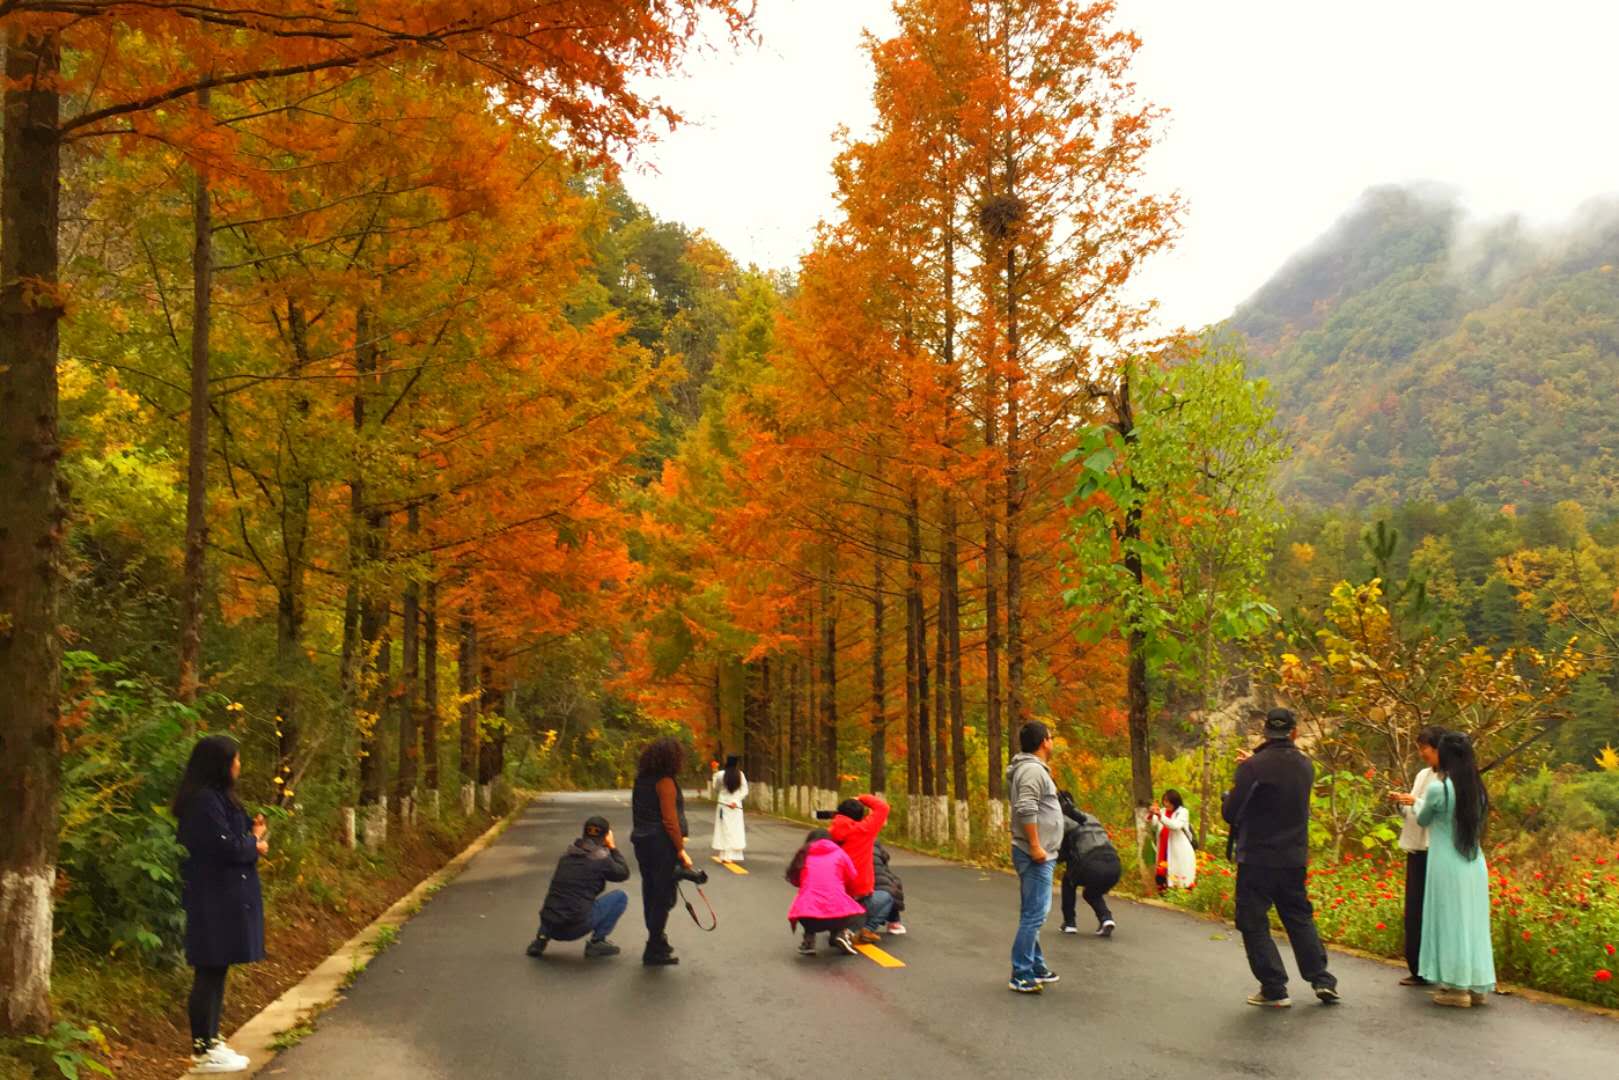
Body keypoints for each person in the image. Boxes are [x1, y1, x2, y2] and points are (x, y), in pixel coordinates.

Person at [1222, 708, 1340, 1008]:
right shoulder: (1305, 766)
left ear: (1265, 732)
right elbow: (1280, 785)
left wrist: (1239, 780)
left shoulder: (1252, 768)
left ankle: (1274, 988)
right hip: (1293, 856)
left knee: (1253, 921)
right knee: (1298, 917)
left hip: (1257, 857)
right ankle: (1321, 979)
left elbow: (1231, 813)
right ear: (1294, 732)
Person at [172, 735, 265, 1074]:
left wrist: (252, 838)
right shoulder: (203, 802)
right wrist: (253, 842)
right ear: (220, 764)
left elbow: (234, 842)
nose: (239, 766)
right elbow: (225, 848)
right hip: (213, 897)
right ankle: (202, 1047)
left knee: (217, 968)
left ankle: (211, 1039)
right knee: (209, 968)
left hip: (223, 894)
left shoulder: (217, 799)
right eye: (235, 760)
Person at [1416, 732, 1497, 1007]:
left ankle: (1455, 988)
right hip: (1474, 862)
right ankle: (1476, 986)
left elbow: (1424, 818)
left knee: (1449, 921)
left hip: (1445, 863)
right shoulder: (1478, 789)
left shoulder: (1439, 788)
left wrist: (1411, 804)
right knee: (1472, 923)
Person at [1006, 720, 1063, 994]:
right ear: (1044, 742)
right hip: (1034, 853)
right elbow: (1026, 807)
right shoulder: (1031, 771)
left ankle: (1036, 964)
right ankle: (1021, 972)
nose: (1052, 742)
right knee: (1035, 914)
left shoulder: (1031, 769)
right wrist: (1036, 845)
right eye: (1051, 737)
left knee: (1033, 911)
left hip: (1037, 850)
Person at [525, 815, 630, 959]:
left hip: (550, 924)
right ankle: (597, 942)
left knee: (560, 896)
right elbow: (623, 873)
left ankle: (540, 940)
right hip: (575, 928)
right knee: (620, 897)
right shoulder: (601, 859)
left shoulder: (566, 856)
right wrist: (613, 847)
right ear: (606, 836)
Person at [630, 737, 695, 966]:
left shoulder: (641, 780)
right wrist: (680, 849)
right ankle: (654, 946)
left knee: (651, 892)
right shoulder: (665, 782)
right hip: (660, 845)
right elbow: (670, 821)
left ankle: (657, 940)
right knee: (664, 896)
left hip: (642, 843)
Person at [1390, 725, 1445, 986]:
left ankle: (1432, 967)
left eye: (1426, 748)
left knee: (1431, 910)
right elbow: (1415, 813)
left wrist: (1415, 803)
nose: (1422, 753)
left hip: (1435, 849)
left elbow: (1433, 814)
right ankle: (1416, 966)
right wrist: (1402, 803)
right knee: (1414, 910)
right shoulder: (1424, 775)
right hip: (1416, 846)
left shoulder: (1448, 778)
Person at [786, 828, 866, 955]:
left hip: (809, 918)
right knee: (860, 913)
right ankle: (841, 934)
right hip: (837, 915)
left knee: (805, 903)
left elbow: (794, 879)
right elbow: (852, 875)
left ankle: (809, 940)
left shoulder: (803, 853)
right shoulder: (839, 853)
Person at [828, 792, 891, 945]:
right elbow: (882, 808)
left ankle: (838, 927)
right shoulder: (864, 830)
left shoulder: (828, 834)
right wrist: (861, 797)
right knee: (886, 898)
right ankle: (864, 930)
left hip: (832, 896)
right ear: (860, 816)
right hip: (857, 893)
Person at [1056, 790, 1121, 937]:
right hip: (1115, 866)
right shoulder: (1090, 817)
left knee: (1069, 881)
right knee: (1091, 892)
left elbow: (1061, 853)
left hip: (1092, 865)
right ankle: (1106, 919)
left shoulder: (1064, 822)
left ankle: (1069, 923)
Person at [1149, 789, 1196, 891]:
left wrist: (1160, 816)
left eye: (1169, 802)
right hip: (1163, 846)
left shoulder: (1183, 812)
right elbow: (1154, 825)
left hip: (1178, 849)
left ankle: (1177, 895)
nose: (1167, 804)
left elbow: (1175, 826)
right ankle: (1162, 894)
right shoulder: (1162, 811)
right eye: (1165, 801)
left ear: (1176, 802)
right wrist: (1152, 814)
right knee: (1161, 872)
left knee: (1178, 873)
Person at [710, 754, 748, 863]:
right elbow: (745, 790)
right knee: (734, 829)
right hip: (735, 807)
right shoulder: (740, 775)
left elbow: (716, 788)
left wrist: (714, 773)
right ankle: (732, 854)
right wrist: (736, 801)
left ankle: (724, 854)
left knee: (723, 829)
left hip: (723, 805)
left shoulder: (720, 775)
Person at [872, 842, 906, 935]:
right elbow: (885, 857)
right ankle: (894, 922)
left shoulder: (842, 841)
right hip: (876, 880)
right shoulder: (873, 841)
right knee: (892, 885)